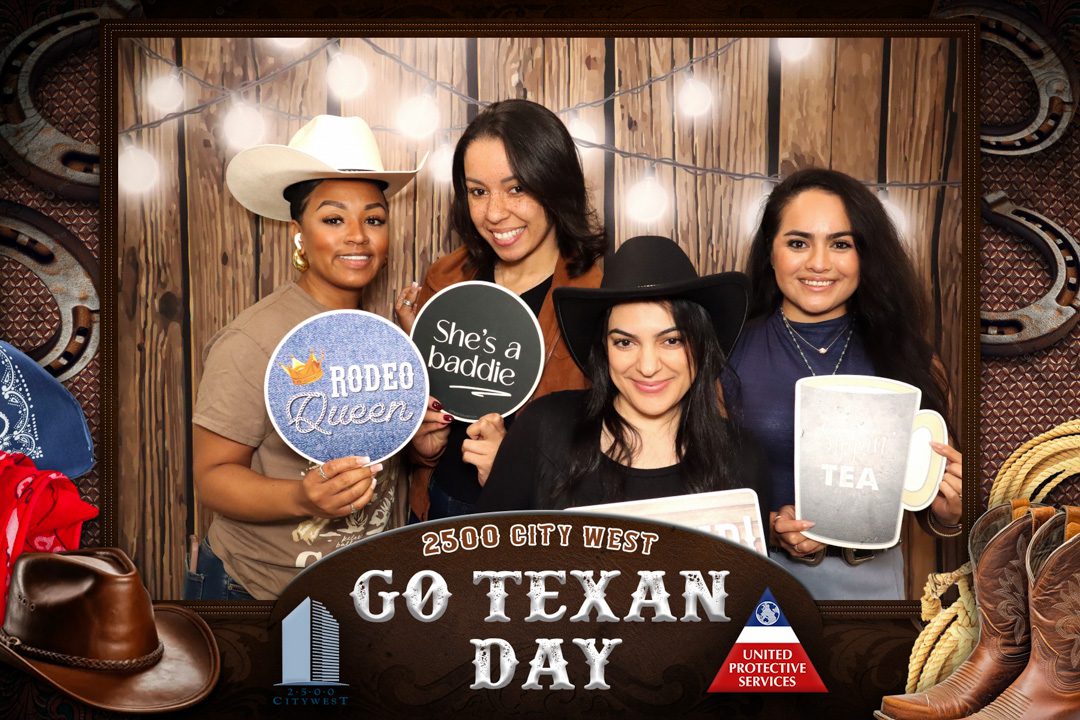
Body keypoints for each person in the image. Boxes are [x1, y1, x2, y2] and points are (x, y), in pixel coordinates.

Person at [187, 115, 422, 600]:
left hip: (357, 593)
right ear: (299, 232)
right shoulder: (253, 338)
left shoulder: (382, 338)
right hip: (258, 590)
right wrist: (302, 496)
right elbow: (212, 480)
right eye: (334, 219)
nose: (358, 236)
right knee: (289, 658)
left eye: (374, 219)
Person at [726, 167, 964, 600]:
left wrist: (950, 513)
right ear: (770, 252)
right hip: (758, 581)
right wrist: (770, 528)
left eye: (840, 244)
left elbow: (928, 507)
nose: (819, 263)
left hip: (872, 585)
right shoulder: (728, 353)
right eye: (798, 243)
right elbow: (701, 487)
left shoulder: (911, 359)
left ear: (865, 255)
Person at [394, 99, 606, 520]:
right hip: (437, 508)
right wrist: (419, 443)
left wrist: (518, 471)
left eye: (517, 188)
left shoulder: (600, 298)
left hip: (538, 524)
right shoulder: (445, 280)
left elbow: (625, 453)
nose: (494, 213)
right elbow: (423, 417)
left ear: (554, 185)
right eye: (478, 191)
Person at [477, 235, 769, 519]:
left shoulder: (743, 459)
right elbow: (487, 547)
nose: (648, 366)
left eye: (672, 340)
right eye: (625, 342)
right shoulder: (544, 428)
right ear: (604, 349)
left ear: (701, 344)